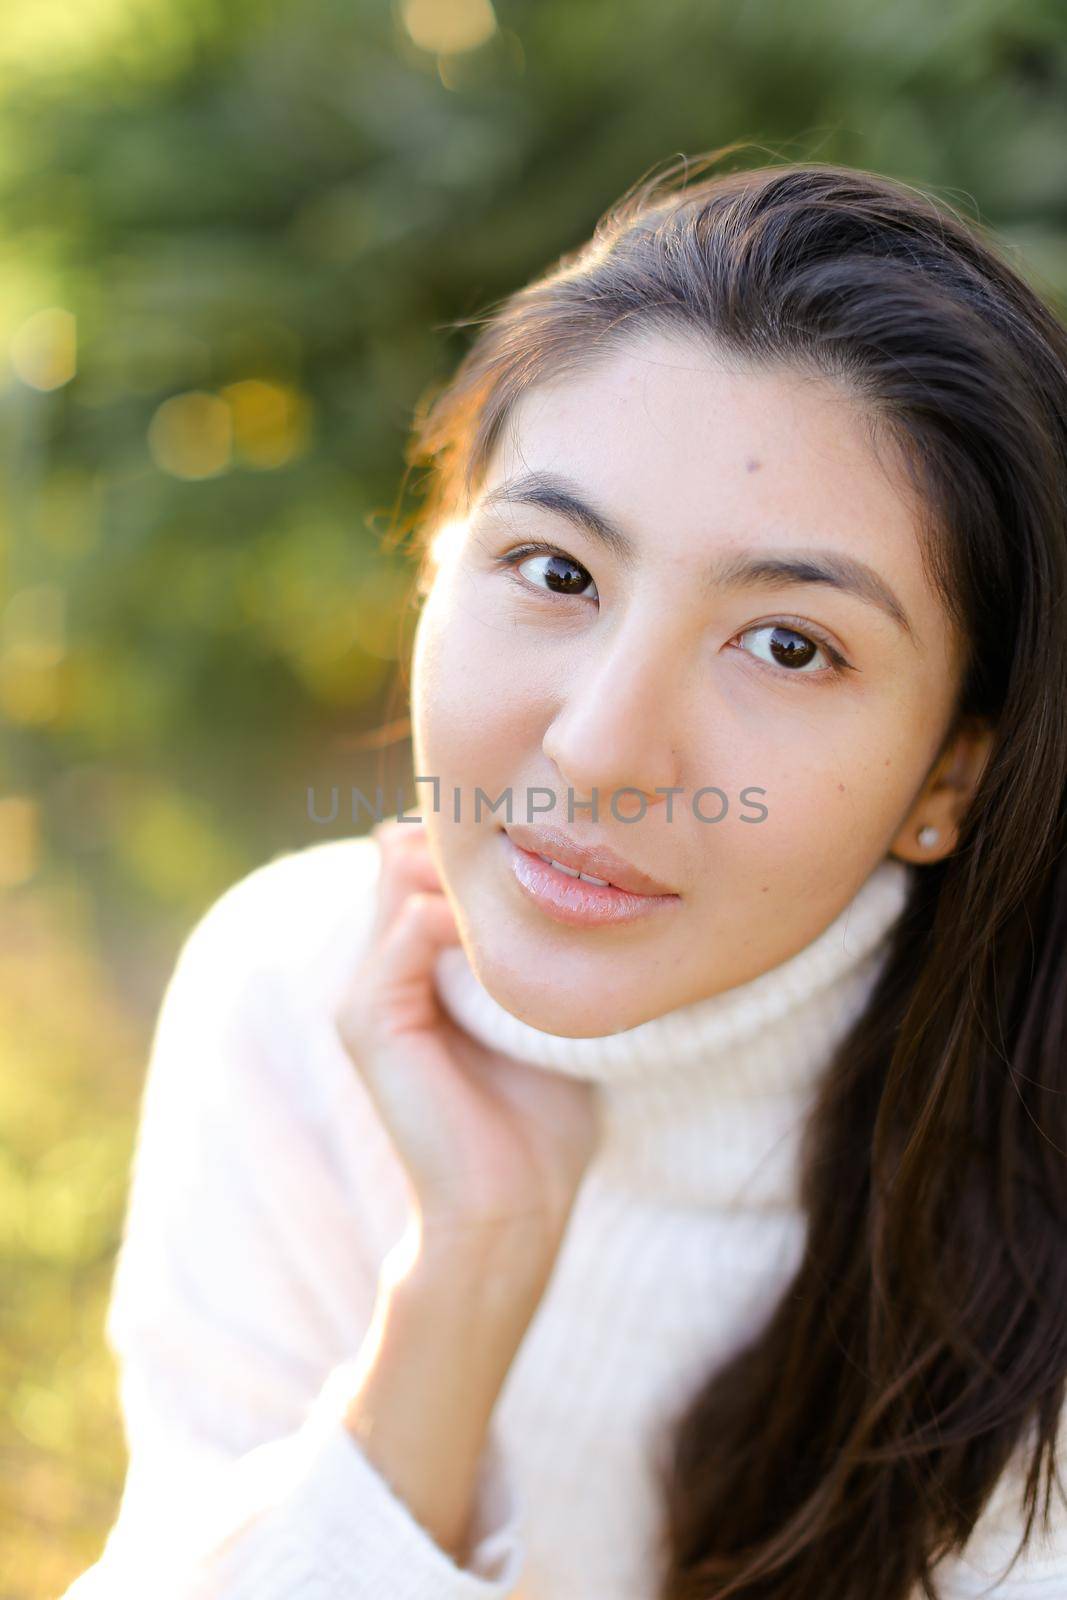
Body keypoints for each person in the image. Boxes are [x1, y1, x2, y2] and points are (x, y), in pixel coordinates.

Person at [62, 149, 1067, 1600]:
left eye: (789, 645)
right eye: (556, 571)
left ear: (948, 777)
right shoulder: (293, 991)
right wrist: (463, 1275)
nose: (600, 748)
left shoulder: (1022, 1163)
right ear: (433, 564)